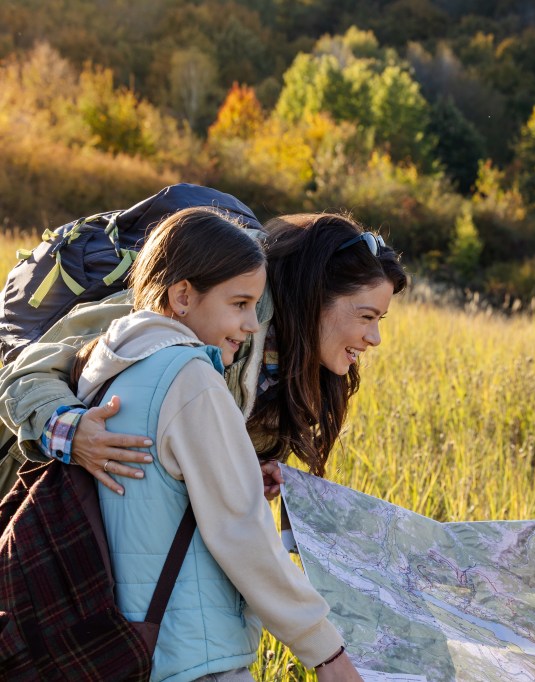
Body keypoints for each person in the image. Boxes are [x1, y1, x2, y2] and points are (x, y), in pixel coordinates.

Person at [68, 206, 357, 680]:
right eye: (239, 304)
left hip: (128, 648)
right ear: (183, 296)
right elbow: (241, 531)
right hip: (195, 653)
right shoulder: (192, 379)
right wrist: (326, 652)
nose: (250, 326)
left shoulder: (105, 367)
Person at [0, 211, 407, 498]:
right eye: (366, 316)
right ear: (314, 297)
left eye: (380, 320)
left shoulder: (293, 368)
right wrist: (74, 434)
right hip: (30, 498)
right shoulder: (206, 301)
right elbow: (26, 372)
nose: (374, 338)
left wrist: (247, 470)